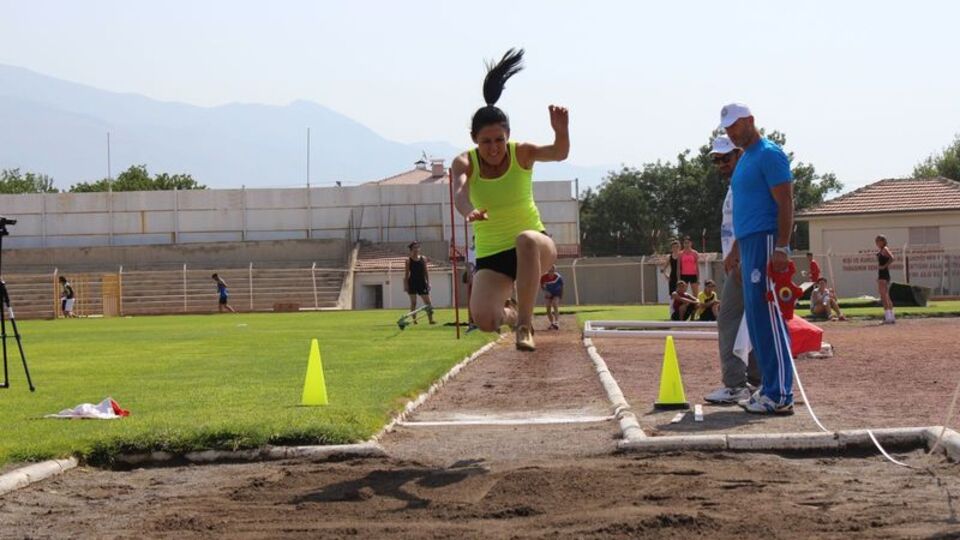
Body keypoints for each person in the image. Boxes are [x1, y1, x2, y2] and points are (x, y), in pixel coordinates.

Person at [450, 48, 569, 351]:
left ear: (508, 135)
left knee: (525, 239)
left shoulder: (522, 153)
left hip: (536, 247)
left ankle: (525, 327)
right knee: (486, 319)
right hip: (493, 256)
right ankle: (513, 313)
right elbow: (460, 191)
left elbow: (559, 153)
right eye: (486, 142)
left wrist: (561, 131)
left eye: (499, 140)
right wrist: (470, 211)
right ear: (475, 140)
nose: (493, 148)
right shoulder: (465, 161)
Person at [720, 102, 795, 415]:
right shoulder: (745, 161)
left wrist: (781, 246)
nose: (731, 132)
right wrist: (736, 249)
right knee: (755, 319)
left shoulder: (768, 154)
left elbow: (786, 201)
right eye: (727, 128)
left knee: (769, 318)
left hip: (766, 241)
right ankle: (768, 387)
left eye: (735, 125)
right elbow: (743, 211)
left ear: (750, 120)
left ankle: (781, 394)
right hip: (749, 243)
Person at [702, 136, 761, 405]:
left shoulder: (745, 183)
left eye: (726, 158)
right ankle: (757, 382)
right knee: (754, 321)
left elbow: (750, 221)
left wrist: (737, 256)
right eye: (717, 159)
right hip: (739, 261)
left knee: (729, 320)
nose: (721, 164)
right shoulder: (736, 185)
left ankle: (737, 384)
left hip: (744, 261)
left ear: (739, 154)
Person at [404, 241, 436, 325]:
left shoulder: (423, 258)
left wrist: (428, 283)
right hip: (412, 283)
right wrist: (406, 285)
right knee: (413, 302)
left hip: (422, 282)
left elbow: (426, 271)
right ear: (411, 249)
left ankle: (431, 320)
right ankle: (414, 320)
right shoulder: (408, 260)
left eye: (418, 247)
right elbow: (406, 274)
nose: (417, 249)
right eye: (415, 247)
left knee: (428, 303)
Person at [876, 234, 896, 324]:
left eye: (879, 241)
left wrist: (884, 266)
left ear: (883, 241)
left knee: (883, 296)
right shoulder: (881, 250)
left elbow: (892, 258)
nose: (877, 243)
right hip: (882, 274)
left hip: (883, 274)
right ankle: (891, 316)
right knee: (886, 295)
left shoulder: (885, 249)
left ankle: (888, 316)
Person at [540, 264, 564, 330]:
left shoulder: (558, 277)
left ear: (554, 271)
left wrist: (561, 296)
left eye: (552, 271)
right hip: (548, 294)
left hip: (556, 293)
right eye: (549, 271)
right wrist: (546, 292)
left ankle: (556, 322)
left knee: (555, 304)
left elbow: (562, 287)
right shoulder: (543, 277)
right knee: (548, 308)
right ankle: (552, 323)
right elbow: (542, 286)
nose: (550, 272)